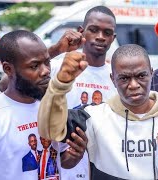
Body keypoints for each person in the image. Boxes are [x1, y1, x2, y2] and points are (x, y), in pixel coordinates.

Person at [37, 44, 158, 179]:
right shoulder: (94, 117)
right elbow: (49, 130)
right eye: (124, 78)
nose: (133, 85)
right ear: (112, 79)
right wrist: (59, 85)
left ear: (151, 74)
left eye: (141, 76)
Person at [0, 30, 84, 180]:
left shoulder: (53, 108)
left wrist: (75, 154)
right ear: (8, 69)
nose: (45, 71)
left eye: (47, 62)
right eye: (34, 66)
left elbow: (62, 159)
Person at [49, 6, 118, 179]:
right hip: (62, 168)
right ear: (81, 32)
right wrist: (57, 49)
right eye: (93, 30)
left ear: (113, 38)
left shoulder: (117, 76)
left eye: (107, 32)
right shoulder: (59, 65)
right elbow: (8, 84)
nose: (100, 37)